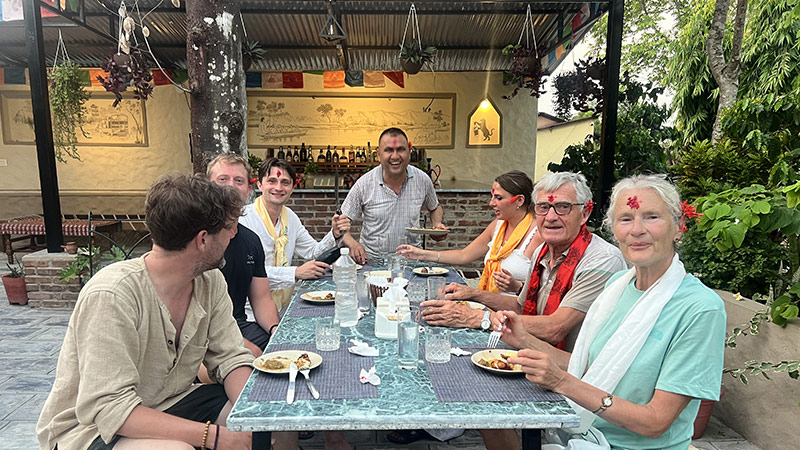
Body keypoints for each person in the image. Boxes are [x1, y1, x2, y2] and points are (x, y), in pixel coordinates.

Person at [37, 174, 266, 450]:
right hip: (92, 430)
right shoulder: (112, 294)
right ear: (203, 240)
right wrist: (214, 437)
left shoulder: (210, 281)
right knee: (175, 449)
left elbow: (230, 357)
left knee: (261, 419)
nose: (233, 234)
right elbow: (112, 408)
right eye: (228, 228)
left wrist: (259, 417)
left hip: (172, 402)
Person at [498, 174, 726, 449]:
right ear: (614, 229)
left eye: (652, 217)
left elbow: (655, 422)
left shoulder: (700, 309)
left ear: (679, 227)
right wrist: (523, 338)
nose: (637, 230)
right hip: (583, 433)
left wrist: (561, 382)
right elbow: (591, 370)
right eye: (626, 219)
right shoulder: (618, 286)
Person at [422, 172, 625, 352]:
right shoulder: (541, 253)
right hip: (532, 355)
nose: (551, 217)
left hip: (572, 376)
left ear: (585, 214)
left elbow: (556, 328)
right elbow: (521, 306)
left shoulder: (602, 260)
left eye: (563, 207)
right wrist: (473, 294)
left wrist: (478, 318)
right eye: (544, 207)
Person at [397, 170, 543, 296]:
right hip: (488, 305)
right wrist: (421, 254)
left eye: (498, 198)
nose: (491, 203)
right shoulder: (498, 226)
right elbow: (464, 255)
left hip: (515, 314)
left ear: (519, 201)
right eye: (492, 197)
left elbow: (544, 290)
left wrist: (517, 287)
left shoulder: (538, 235)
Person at [239, 157, 351, 312]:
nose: (278, 188)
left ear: (292, 188)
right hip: (249, 312)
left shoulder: (289, 217)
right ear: (259, 184)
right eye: (272, 181)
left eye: (285, 182)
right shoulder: (244, 219)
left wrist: (335, 233)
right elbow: (250, 272)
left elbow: (313, 252)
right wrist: (296, 273)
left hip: (284, 308)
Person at [340, 127, 447, 264]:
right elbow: (340, 224)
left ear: (409, 151)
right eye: (389, 150)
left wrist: (437, 223)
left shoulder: (422, 180)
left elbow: (435, 207)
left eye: (400, 149)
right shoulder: (364, 184)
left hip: (412, 263)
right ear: (378, 154)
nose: (395, 156)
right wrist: (353, 245)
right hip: (373, 265)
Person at [207, 153, 279, 355]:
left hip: (239, 324)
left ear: (249, 189)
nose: (230, 185)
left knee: (285, 348)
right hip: (201, 335)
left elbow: (262, 299)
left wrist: (275, 331)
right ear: (208, 185)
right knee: (254, 356)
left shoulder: (251, 241)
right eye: (223, 179)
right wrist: (247, 350)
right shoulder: (197, 239)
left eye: (238, 181)